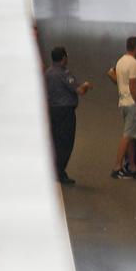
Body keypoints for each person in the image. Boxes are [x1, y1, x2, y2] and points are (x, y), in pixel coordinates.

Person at [43, 46, 91, 185]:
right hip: (65, 111)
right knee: (66, 142)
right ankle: (59, 172)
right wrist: (86, 85)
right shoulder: (65, 74)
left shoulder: (48, 73)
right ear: (64, 58)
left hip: (52, 110)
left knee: (55, 140)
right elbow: (80, 90)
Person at [111, 35, 136, 180]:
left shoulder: (121, 61)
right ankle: (117, 167)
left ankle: (132, 166)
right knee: (127, 136)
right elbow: (133, 86)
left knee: (132, 136)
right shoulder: (133, 63)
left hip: (123, 102)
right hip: (132, 104)